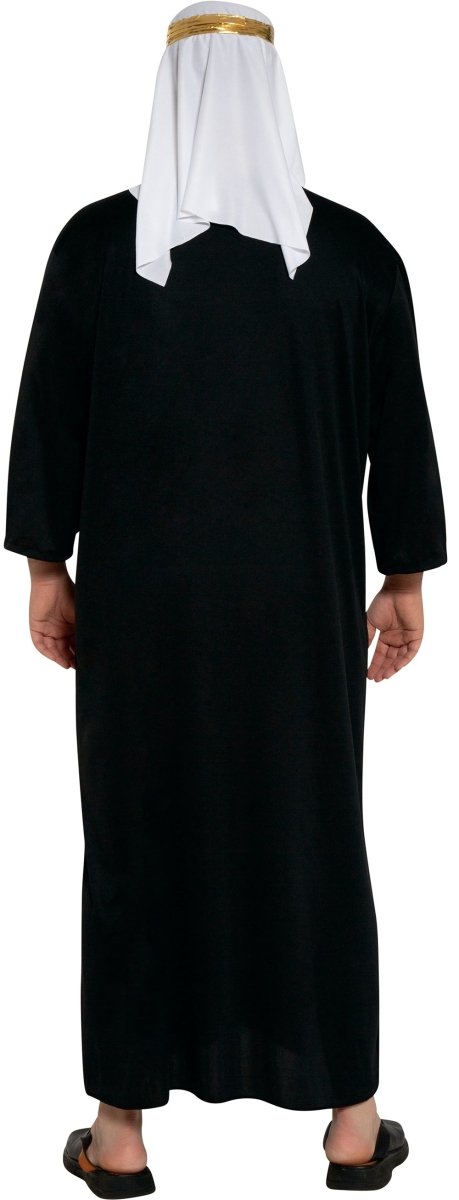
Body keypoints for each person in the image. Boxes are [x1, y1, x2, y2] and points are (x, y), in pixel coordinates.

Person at [3, 3, 447, 1195]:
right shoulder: (355, 259)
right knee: (313, 837)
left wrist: (48, 569)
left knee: (136, 841)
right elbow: (400, 436)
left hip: (142, 624)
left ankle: (121, 1133)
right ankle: (352, 1122)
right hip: (299, 621)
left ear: (170, 97)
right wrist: (403, 577)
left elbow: (47, 421)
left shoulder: (96, 250)